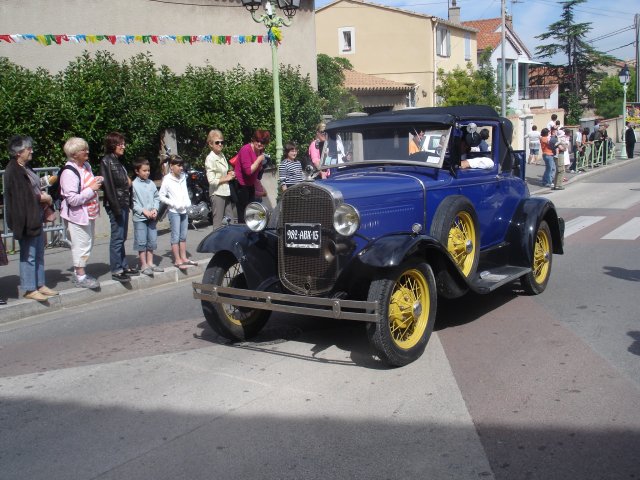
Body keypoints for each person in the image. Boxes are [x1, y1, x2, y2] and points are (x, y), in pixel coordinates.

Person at [4, 135, 58, 301]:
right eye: (28, 149)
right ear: (19, 152)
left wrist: (44, 182)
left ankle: (39, 284)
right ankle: (29, 288)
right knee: (29, 254)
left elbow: (33, 187)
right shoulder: (13, 170)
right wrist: (44, 198)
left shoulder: (26, 167)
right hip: (25, 218)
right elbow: (23, 196)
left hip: (35, 216)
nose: (31, 151)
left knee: (39, 252)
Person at [59, 137, 102, 289]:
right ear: (74, 154)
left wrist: (95, 182)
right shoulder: (68, 172)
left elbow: (87, 184)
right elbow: (72, 199)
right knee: (81, 245)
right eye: (84, 150)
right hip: (77, 215)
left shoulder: (86, 166)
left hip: (89, 213)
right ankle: (80, 276)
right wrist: (92, 189)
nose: (87, 152)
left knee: (88, 243)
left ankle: (82, 273)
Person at [100, 132, 138, 283]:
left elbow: (126, 182)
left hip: (123, 203)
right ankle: (117, 269)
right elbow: (108, 186)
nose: (124, 146)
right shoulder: (106, 161)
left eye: (123, 143)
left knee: (122, 236)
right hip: (116, 204)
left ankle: (123, 265)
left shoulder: (117, 161)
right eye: (120, 144)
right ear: (112, 145)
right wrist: (115, 207)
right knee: (117, 237)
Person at [159, 155, 196, 270]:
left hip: (183, 210)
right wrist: (173, 203)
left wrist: (187, 201)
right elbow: (161, 196)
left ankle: (184, 257)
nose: (181, 168)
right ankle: (177, 259)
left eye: (182, 165)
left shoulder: (183, 177)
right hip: (174, 211)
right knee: (175, 236)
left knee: (183, 235)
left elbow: (185, 191)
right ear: (171, 166)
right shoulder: (167, 179)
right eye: (178, 165)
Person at [132, 158, 163, 276]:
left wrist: (155, 209)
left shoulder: (151, 183)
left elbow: (156, 197)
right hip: (140, 218)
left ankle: (150, 263)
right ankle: (143, 264)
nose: (147, 173)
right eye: (144, 170)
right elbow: (133, 202)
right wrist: (143, 211)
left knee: (152, 240)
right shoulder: (134, 185)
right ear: (137, 171)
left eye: (148, 170)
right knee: (141, 241)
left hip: (152, 218)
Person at [234, 129, 270, 223]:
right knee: (244, 215)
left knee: (251, 213)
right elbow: (248, 171)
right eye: (257, 141)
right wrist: (259, 160)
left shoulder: (260, 151)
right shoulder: (246, 149)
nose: (259, 144)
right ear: (253, 140)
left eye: (262, 142)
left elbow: (257, 173)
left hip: (251, 185)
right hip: (242, 185)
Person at [204, 129, 235, 229]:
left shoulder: (222, 155)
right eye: (217, 142)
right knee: (217, 223)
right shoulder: (210, 158)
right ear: (211, 144)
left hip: (225, 191)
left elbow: (223, 172)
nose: (220, 144)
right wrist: (226, 178)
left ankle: (230, 242)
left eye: (222, 142)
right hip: (217, 193)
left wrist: (229, 173)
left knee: (231, 221)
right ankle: (215, 244)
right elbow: (212, 181)